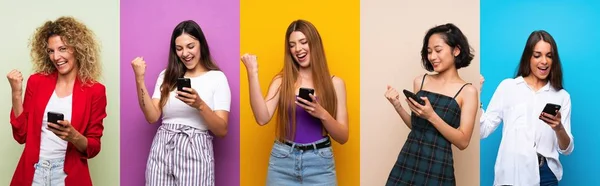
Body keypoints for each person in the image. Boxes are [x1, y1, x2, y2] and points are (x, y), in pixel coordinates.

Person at [240, 19, 349, 185]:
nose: (298, 49)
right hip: (282, 161)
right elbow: (262, 118)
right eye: (292, 45)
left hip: (320, 164)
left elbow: (343, 137)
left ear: (315, 44)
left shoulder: (335, 84)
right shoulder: (282, 81)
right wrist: (252, 74)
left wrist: (322, 114)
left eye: (303, 42)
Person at [6, 16, 107, 186]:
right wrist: (16, 93)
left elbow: (94, 147)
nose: (56, 57)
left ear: (77, 49)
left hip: (67, 175)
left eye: (62, 49)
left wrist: (73, 136)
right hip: (34, 172)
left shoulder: (95, 91)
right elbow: (21, 135)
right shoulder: (37, 82)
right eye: (51, 51)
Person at [131, 20, 231, 186]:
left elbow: (222, 130)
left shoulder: (217, 78)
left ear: (201, 45)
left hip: (195, 148)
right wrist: (139, 79)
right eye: (179, 49)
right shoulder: (166, 76)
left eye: (190, 46)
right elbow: (152, 116)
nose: (185, 53)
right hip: (162, 146)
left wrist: (200, 105)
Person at [384, 23, 478, 186]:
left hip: (439, 166)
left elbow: (463, 142)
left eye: (438, 50)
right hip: (409, 159)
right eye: (429, 51)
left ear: (456, 50)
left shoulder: (467, 91)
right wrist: (397, 105)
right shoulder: (420, 81)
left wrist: (432, 116)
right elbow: (417, 126)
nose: (432, 56)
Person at [480, 30, 573, 186]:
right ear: (528, 57)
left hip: (545, 175)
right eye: (537, 55)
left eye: (549, 56)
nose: (544, 61)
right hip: (511, 174)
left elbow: (566, 149)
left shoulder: (562, 96)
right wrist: (477, 97)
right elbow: (483, 130)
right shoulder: (508, 87)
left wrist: (559, 129)